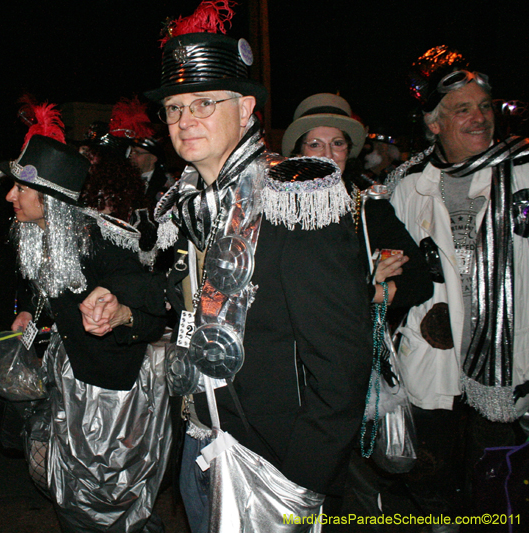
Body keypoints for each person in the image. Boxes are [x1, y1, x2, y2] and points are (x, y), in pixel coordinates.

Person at [145, 2, 372, 531]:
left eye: (204, 102)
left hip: (273, 465)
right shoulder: (187, 203)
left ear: (246, 108)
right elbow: (181, 307)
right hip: (199, 444)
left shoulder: (294, 197)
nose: (185, 119)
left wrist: (301, 478)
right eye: (175, 108)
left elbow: (341, 360)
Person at [5, 102, 170, 532]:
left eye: (20, 189)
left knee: (115, 505)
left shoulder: (101, 243)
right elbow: (43, 287)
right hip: (72, 383)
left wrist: (121, 316)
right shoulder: (43, 235)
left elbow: (154, 311)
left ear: (51, 199)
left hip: (113, 396)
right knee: (74, 497)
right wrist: (29, 311)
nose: (10, 197)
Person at [387, 45, 529, 525]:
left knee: (499, 478)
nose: (479, 117)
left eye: (484, 106)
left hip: (508, 354)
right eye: (462, 109)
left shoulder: (524, 170)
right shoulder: (406, 187)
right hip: (435, 357)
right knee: (431, 475)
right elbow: (395, 274)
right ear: (433, 124)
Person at [283, 93, 433, 320]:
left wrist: (367, 291)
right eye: (315, 145)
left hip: (348, 342)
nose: (328, 155)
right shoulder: (276, 210)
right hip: (289, 346)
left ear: (348, 151)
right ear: (298, 153)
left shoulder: (369, 211)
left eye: (338, 143)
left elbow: (419, 284)